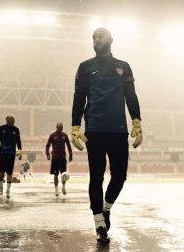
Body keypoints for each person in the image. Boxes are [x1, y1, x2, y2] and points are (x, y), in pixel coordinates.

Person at [71, 28, 142, 246]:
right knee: (97, 176)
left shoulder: (123, 66)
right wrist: (75, 125)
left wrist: (137, 121)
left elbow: (131, 96)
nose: (95, 40)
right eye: (93, 37)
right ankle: (99, 224)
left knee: (120, 176)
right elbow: (79, 98)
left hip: (119, 129)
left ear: (111, 40)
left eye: (99, 36)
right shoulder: (85, 67)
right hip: (95, 130)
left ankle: (106, 208)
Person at [0, 115, 22, 198]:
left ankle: (8, 190)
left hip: (12, 154)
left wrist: (19, 152)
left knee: (10, 173)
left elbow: (18, 141)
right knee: (1, 172)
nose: (14, 121)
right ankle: (1, 185)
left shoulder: (16, 130)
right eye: (12, 120)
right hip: (2, 153)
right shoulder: (1, 128)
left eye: (14, 120)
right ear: (7, 120)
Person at [45, 122, 73, 196]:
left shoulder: (65, 135)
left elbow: (69, 145)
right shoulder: (52, 135)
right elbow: (47, 145)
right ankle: (56, 190)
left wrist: (71, 154)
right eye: (59, 128)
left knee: (64, 174)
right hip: (55, 158)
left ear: (62, 128)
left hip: (62, 158)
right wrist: (47, 154)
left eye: (61, 128)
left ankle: (63, 187)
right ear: (56, 127)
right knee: (55, 174)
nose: (60, 129)